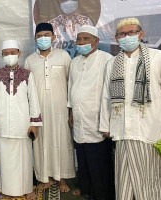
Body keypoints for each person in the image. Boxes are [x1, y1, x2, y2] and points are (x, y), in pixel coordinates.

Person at [99, 17, 161, 200]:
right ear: (117, 37)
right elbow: (106, 96)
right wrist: (105, 126)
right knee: (123, 183)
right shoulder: (112, 64)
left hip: (148, 132)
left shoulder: (158, 57)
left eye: (132, 32)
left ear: (141, 34)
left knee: (149, 184)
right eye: (122, 34)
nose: (127, 36)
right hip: (121, 132)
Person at [0, 40, 42, 199]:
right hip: (3, 124)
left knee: (24, 159)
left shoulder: (26, 74)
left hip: (22, 124)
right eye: (6, 53)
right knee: (6, 160)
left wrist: (34, 124)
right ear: (2, 55)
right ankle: (7, 190)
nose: (9, 56)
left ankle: (27, 188)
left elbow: (33, 99)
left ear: (19, 53)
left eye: (12, 52)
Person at [24, 23, 75, 192]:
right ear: (35, 38)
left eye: (47, 35)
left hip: (60, 109)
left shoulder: (64, 56)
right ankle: (45, 177)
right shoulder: (29, 60)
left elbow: (71, 83)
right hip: (38, 112)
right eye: (39, 36)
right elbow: (26, 89)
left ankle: (62, 179)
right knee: (41, 143)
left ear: (54, 37)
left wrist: (70, 110)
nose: (43, 38)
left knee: (61, 141)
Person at [67, 25, 114, 200]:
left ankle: (101, 194)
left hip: (98, 118)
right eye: (79, 39)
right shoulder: (74, 62)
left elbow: (110, 92)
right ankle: (86, 189)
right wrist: (70, 111)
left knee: (99, 160)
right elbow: (71, 88)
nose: (81, 42)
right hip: (79, 117)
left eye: (86, 38)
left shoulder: (107, 59)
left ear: (96, 41)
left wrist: (108, 120)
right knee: (83, 157)